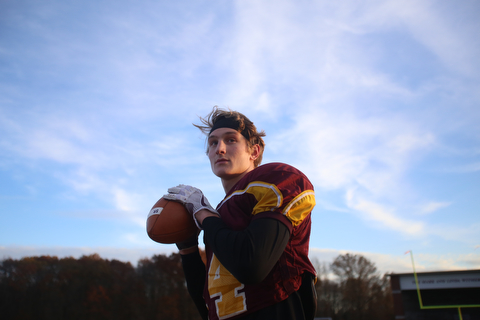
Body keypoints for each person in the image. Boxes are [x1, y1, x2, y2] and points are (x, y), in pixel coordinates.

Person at [163, 107, 317, 320]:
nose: (220, 149)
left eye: (231, 140)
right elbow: (210, 307)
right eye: (213, 143)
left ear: (254, 152)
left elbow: (252, 265)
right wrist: (188, 248)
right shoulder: (218, 216)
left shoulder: (274, 178)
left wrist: (204, 215)